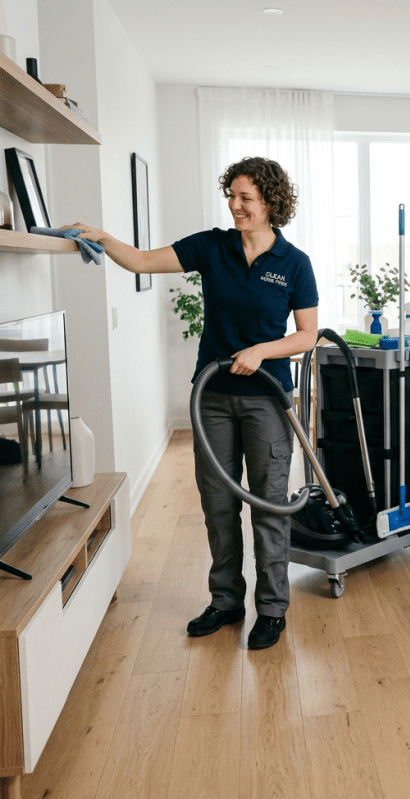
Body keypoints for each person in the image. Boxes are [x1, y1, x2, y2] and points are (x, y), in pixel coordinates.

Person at [64, 156, 318, 649]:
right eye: (232, 195)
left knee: (268, 505)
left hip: (267, 400)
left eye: (246, 197)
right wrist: (104, 237)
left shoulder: (294, 264)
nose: (235, 205)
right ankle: (225, 601)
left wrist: (262, 350)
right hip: (213, 399)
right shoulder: (212, 247)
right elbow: (141, 261)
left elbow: (306, 336)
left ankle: (271, 609)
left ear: (270, 203)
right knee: (218, 503)